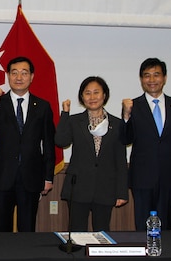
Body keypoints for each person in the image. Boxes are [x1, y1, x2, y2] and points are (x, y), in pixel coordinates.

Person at [0, 56, 55, 232]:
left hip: (31, 177)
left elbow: (48, 144)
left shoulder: (42, 106)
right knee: (2, 230)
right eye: (14, 73)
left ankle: (25, 260)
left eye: (24, 73)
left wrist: (48, 176)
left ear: (32, 76)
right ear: (8, 75)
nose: (19, 77)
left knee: (27, 230)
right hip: (3, 176)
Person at [121, 58, 171, 230]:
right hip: (142, 177)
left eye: (156, 75)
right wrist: (125, 116)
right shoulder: (133, 106)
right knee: (142, 225)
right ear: (141, 79)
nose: (152, 80)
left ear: (165, 78)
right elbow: (125, 139)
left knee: (166, 224)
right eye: (147, 76)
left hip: (170, 176)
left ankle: (164, 256)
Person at [55, 76, 128, 232]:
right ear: (82, 97)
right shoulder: (75, 121)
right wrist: (65, 113)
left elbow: (121, 161)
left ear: (104, 95)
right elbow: (61, 141)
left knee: (101, 232)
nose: (92, 97)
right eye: (87, 93)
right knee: (76, 232)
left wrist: (122, 192)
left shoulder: (117, 124)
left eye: (96, 92)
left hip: (106, 188)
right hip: (78, 187)